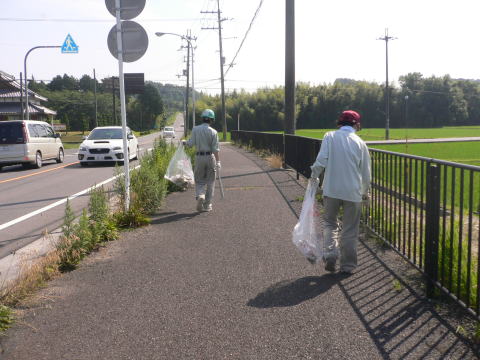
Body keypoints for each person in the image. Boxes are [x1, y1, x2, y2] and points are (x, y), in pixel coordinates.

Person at [310, 110, 371, 274]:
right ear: (357, 125)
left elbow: (321, 160)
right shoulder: (360, 143)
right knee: (350, 229)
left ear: (339, 124)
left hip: (331, 190)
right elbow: (366, 173)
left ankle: (330, 254)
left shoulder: (329, 136)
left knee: (330, 223)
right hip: (353, 192)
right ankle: (348, 265)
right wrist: (365, 193)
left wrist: (314, 177)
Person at [183, 109, 220, 212]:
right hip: (210, 157)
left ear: (202, 118)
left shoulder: (195, 129)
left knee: (199, 180)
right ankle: (207, 205)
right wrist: (218, 162)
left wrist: (185, 142)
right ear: (212, 120)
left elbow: (190, 144)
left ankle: (200, 195)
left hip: (199, 157)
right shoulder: (214, 132)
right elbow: (215, 149)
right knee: (210, 182)